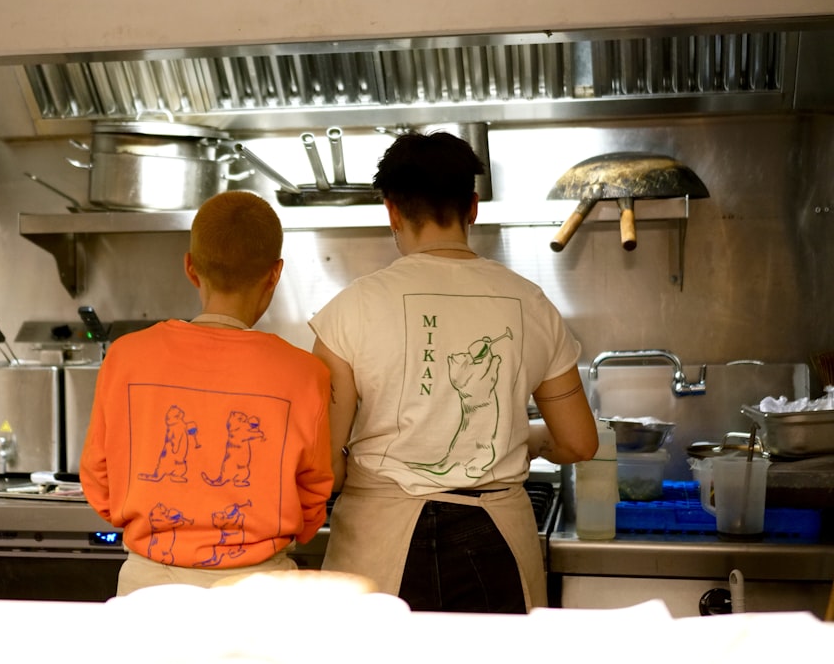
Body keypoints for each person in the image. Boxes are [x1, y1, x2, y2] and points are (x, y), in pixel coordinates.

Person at [308, 131, 598, 613]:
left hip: (378, 544)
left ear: (392, 212)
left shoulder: (349, 310)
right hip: (498, 541)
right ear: (473, 207)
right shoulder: (532, 304)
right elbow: (579, 442)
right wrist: (525, 439)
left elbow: (325, 468)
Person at [81, 190, 334, 595]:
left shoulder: (126, 356)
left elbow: (98, 478)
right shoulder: (306, 373)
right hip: (261, 591)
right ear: (275, 273)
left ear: (190, 267)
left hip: (149, 587)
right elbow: (314, 493)